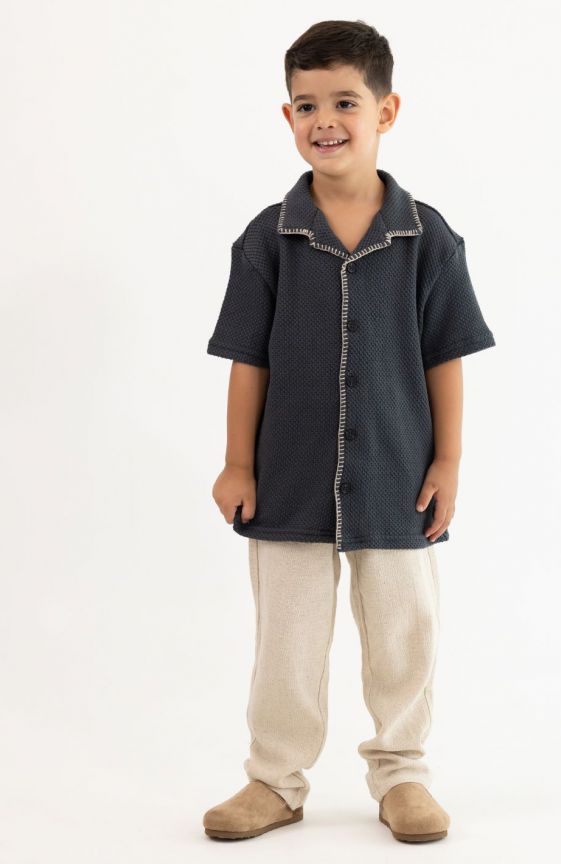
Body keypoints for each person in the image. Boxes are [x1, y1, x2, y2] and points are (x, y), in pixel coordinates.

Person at [202, 19, 496, 844]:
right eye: (306, 105)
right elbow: (247, 359)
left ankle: (401, 773)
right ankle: (274, 780)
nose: (323, 120)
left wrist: (447, 460)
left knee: (405, 633)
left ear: (385, 110)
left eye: (344, 102)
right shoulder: (267, 238)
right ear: (287, 117)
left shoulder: (426, 237)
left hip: (398, 475)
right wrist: (235, 463)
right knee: (286, 643)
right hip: (288, 475)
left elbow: (445, 356)